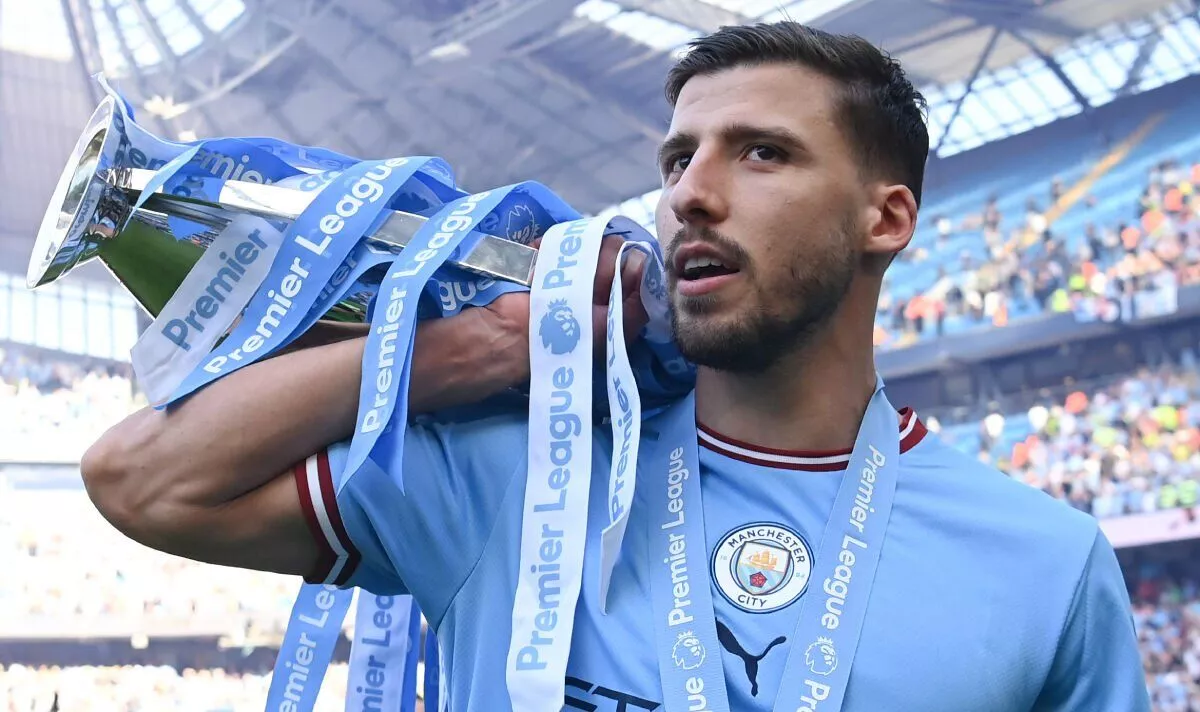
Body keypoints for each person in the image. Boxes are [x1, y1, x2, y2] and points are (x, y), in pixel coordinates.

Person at [81, 22, 1149, 711]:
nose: (691, 190)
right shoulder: (518, 472)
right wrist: (474, 349)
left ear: (888, 216)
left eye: (762, 152)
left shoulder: (1046, 564)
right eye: (679, 158)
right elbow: (141, 478)